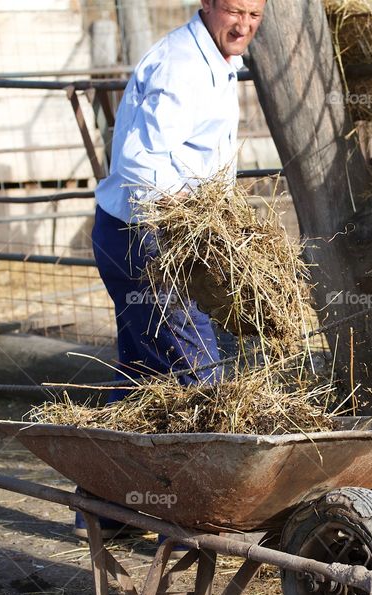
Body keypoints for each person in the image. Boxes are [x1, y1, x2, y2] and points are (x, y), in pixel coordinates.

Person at [76, 0, 267, 540]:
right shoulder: (182, 68)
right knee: (200, 375)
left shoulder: (218, 60)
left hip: (150, 235)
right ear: (206, 3)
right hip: (147, 242)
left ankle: (104, 508)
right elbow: (140, 163)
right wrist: (198, 212)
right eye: (235, 11)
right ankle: (197, 516)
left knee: (142, 374)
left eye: (255, 15)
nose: (245, 25)